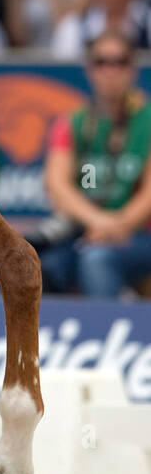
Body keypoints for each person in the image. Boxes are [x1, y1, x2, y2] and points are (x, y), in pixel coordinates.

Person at [42, 31, 151, 296]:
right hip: (86, 231)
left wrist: (118, 225)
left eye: (120, 62)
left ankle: (113, 332)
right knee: (37, 267)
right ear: (90, 69)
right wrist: (99, 222)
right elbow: (57, 185)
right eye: (102, 62)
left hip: (140, 235)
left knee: (97, 259)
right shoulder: (73, 122)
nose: (110, 70)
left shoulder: (147, 120)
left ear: (133, 69)